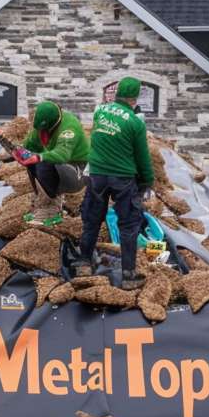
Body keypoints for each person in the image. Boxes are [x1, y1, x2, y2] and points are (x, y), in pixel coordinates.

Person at [75, 77, 154, 290]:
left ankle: (83, 263)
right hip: (122, 178)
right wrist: (147, 180)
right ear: (134, 98)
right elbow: (142, 156)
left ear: (117, 93)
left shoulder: (100, 111)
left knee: (92, 219)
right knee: (128, 224)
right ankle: (128, 275)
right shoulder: (135, 122)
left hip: (98, 175)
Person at [9, 101, 89, 227]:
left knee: (43, 161)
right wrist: (17, 151)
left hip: (79, 170)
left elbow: (62, 155)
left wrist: (38, 157)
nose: (41, 132)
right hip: (62, 168)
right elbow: (30, 146)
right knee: (32, 162)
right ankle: (42, 203)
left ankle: (51, 210)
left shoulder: (69, 128)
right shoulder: (42, 127)